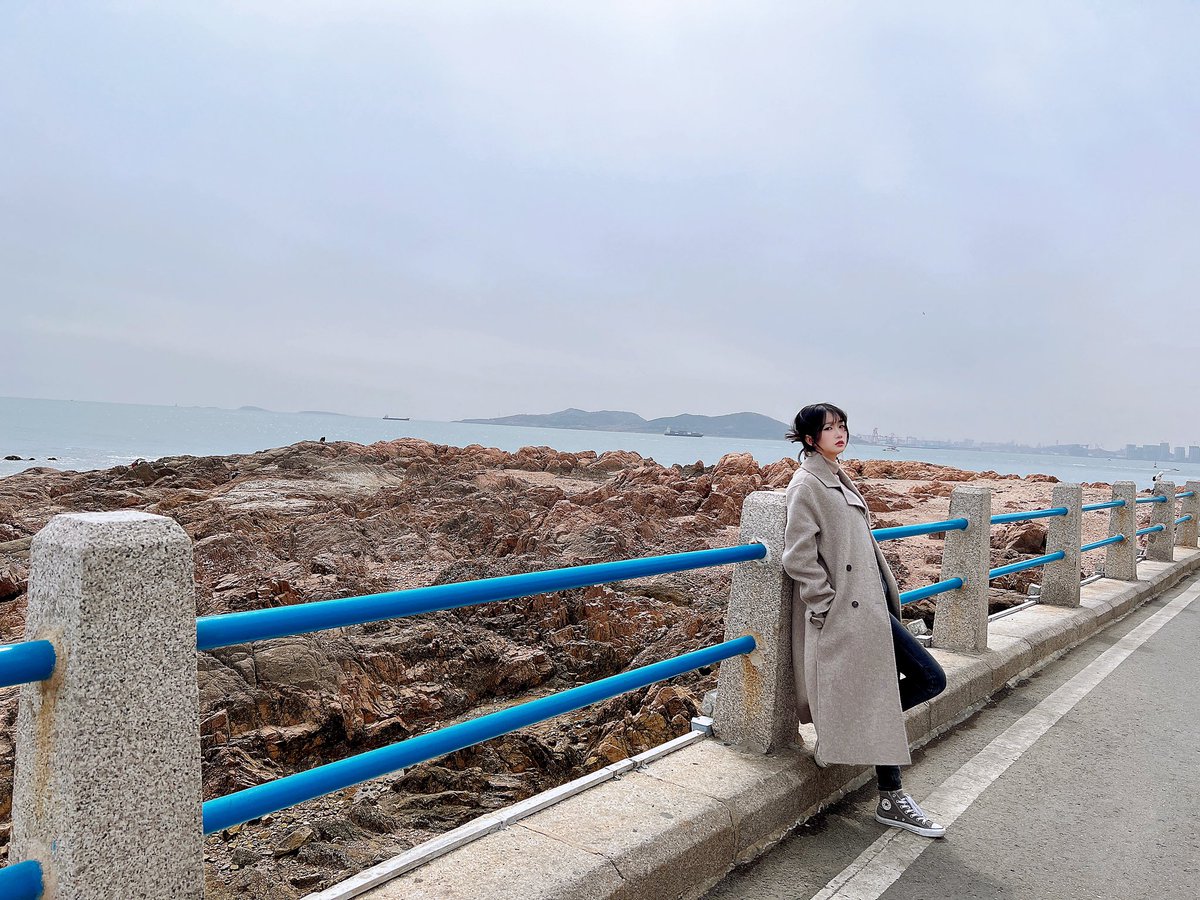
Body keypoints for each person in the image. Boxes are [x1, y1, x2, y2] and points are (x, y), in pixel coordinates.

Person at [781, 402, 949, 838]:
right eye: (829, 428)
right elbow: (797, 556)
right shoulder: (807, 484)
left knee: (925, 680)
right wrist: (826, 604)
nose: (840, 433)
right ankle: (890, 796)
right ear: (809, 439)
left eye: (842, 425)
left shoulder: (836, 475)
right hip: (849, 612)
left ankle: (845, 737)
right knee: (921, 680)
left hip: (870, 607)